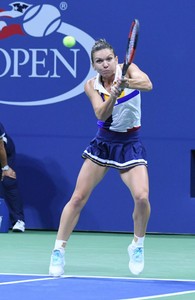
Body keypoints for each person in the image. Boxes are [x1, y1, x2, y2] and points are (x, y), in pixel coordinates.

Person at [49, 39, 153, 276]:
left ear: (116, 59)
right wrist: (114, 94)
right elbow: (100, 113)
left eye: (108, 59)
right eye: (99, 61)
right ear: (94, 65)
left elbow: (148, 84)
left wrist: (125, 82)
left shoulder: (129, 69)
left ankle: (137, 244)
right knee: (77, 198)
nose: (105, 64)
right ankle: (58, 251)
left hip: (130, 144)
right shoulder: (91, 86)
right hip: (104, 144)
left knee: (142, 197)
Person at [0, 122, 25, 232]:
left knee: (8, 181)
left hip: (5, 151)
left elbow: (1, 147)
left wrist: (5, 168)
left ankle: (18, 221)